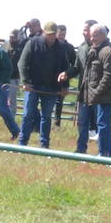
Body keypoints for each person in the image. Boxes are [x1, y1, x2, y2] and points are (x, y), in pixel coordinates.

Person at [17, 20, 67, 148]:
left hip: (51, 88)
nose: (50, 37)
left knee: (46, 117)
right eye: (48, 34)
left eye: (53, 34)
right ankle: (22, 143)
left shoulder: (61, 48)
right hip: (33, 86)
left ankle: (44, 145)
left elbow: (65, 68)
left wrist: (64, 87)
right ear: (44, 32)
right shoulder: (33, 43)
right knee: (28, 114)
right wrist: (25, 82)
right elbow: (22, 63)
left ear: (56, 34)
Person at [75, 24, 111, 158]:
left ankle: (104, 154)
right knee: (101, 124)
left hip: (104, 96)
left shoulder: (108, 51)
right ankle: (106, 154)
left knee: (103, 125)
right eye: (91, 35)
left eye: (94, 35)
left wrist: (97, 92)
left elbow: (109, 75)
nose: (91, 38)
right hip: (95, 95)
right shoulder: (94, 50)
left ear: (102, 35)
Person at [53, 24, 76, 127]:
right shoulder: (50, 45)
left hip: (63, 79)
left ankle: (56, 124)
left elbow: (74, 66)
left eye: (64, 34)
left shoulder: (69, 48)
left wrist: (67, 77)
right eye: (60, 34)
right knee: (46, 101)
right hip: (49, 78)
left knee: (59, 102)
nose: (62, 36)